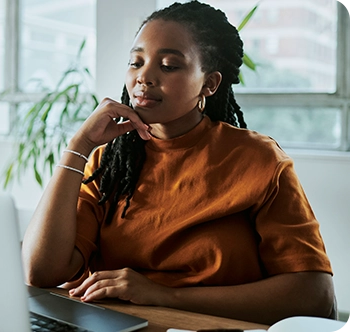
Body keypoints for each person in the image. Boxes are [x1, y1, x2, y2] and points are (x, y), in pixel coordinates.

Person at [22, 1, 334, 325]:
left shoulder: (258, 160)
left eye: (169, 65)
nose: (144, 77)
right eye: (135, 62)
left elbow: (315, 296)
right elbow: (41, 272)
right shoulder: (109, 160)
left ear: (209, 84)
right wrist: (78, 147)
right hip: (113, 325)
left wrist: (160, 293)